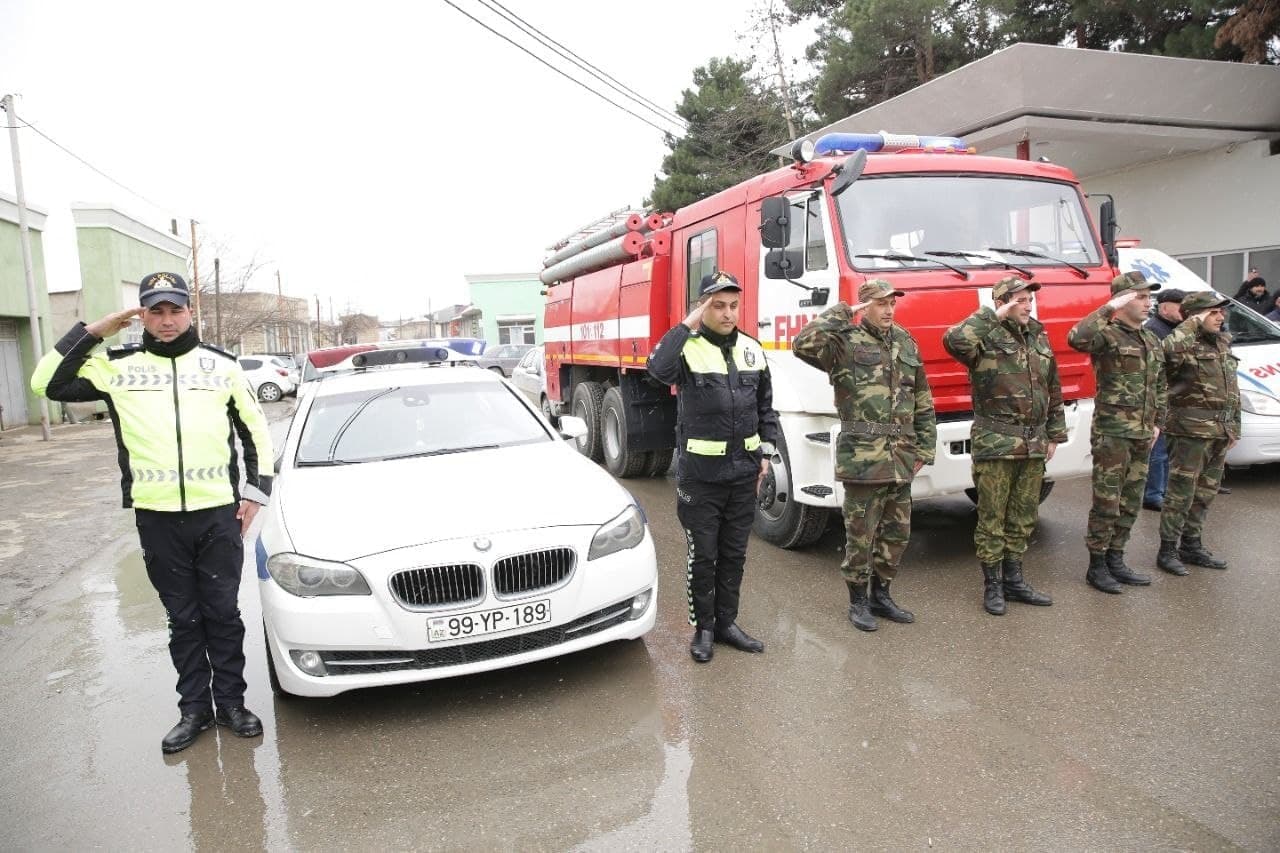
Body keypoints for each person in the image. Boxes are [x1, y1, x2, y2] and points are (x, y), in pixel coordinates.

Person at [31, 272, 274, 754]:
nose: (166, 320)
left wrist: (255, 492)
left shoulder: (219, 366)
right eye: (155, 310)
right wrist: (97, 329)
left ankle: (230, 704)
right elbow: (46, 383)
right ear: (140, 314)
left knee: (222, 614)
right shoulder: (118, 366)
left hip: (218, 513)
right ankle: (194, 711)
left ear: (190, 312)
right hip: (158, 517)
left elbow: (255, 430)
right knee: (182, 618)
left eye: (174, 309)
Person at [646, 271, 780, 663]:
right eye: (717, 305)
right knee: (704, 555)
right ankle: (703, 627)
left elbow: (765, 408)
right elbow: (657, 369)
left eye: (733, 305)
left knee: (734, 553)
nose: (727, 313)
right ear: (703, 307)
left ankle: (727, 623)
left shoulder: (753, 350)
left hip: (743, 474)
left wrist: (767, 456)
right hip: (700, 477)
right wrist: (687, 324)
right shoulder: (687, 349)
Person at [792, 279, 936, 632]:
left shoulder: (905, 341)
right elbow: (802, 343)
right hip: (862, 457)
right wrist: (842, 313)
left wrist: (925, 449)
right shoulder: (843, 343)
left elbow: (922, 399)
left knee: (896, 534)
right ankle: (857, 600)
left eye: (892, 303)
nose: (888, 310)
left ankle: (881, 595)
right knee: (861, 535)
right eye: (880, 303)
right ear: (864, 306)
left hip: (901, 457)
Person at [942, 277, 1065, 615]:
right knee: (992, 518)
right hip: (997, 442)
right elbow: (952, 341)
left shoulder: (1038, 334)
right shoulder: (983, 336)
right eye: (1021, 300)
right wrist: (994, 315)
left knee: (1023, 515)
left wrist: (1055, 432)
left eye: (1029, 300)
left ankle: (1015, 579)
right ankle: (993, 585)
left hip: (1033, 443)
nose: (1028, 306)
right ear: (1003, 302)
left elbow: (1051, 384)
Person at [1067, 271, 1166, 594]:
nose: (1147, 303)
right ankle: (1097, 565)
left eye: (1149, 297)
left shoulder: (1151, 339)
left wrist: (1157, 423)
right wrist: (1108, 308)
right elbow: (1076, 338)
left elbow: (1160, 385)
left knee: (1131, 501)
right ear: (1122, 299)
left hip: (1142, 433)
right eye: (1140, 296)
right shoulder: (1107, 335)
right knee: (1107, 501)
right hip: (1113, 433)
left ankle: (1117, 558)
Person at [1155, 291, 1241, 575]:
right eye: (1213, 312)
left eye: (1221, 312)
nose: (1220, 317)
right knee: (1180, 493)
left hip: (1219, 430)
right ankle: (1167, 550)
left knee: (1205, 493)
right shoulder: (1182, 344)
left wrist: (1234, 427)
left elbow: (1232, 389)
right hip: (1189, 431)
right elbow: (1165, 355)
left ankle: (1191, 546)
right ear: (1195, 316)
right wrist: (1191, 324)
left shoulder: (1222, 343)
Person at [1141, 288, 1186, 512]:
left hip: (1173, 397)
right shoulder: (1153, 331)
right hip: (1160, 397)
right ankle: (1153, 494)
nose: (1183, 310)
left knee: (1169, 449)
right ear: (1164, 307)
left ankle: (1165, 491)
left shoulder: (1177, 329)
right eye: (1179, 305)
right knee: (1158, 451)